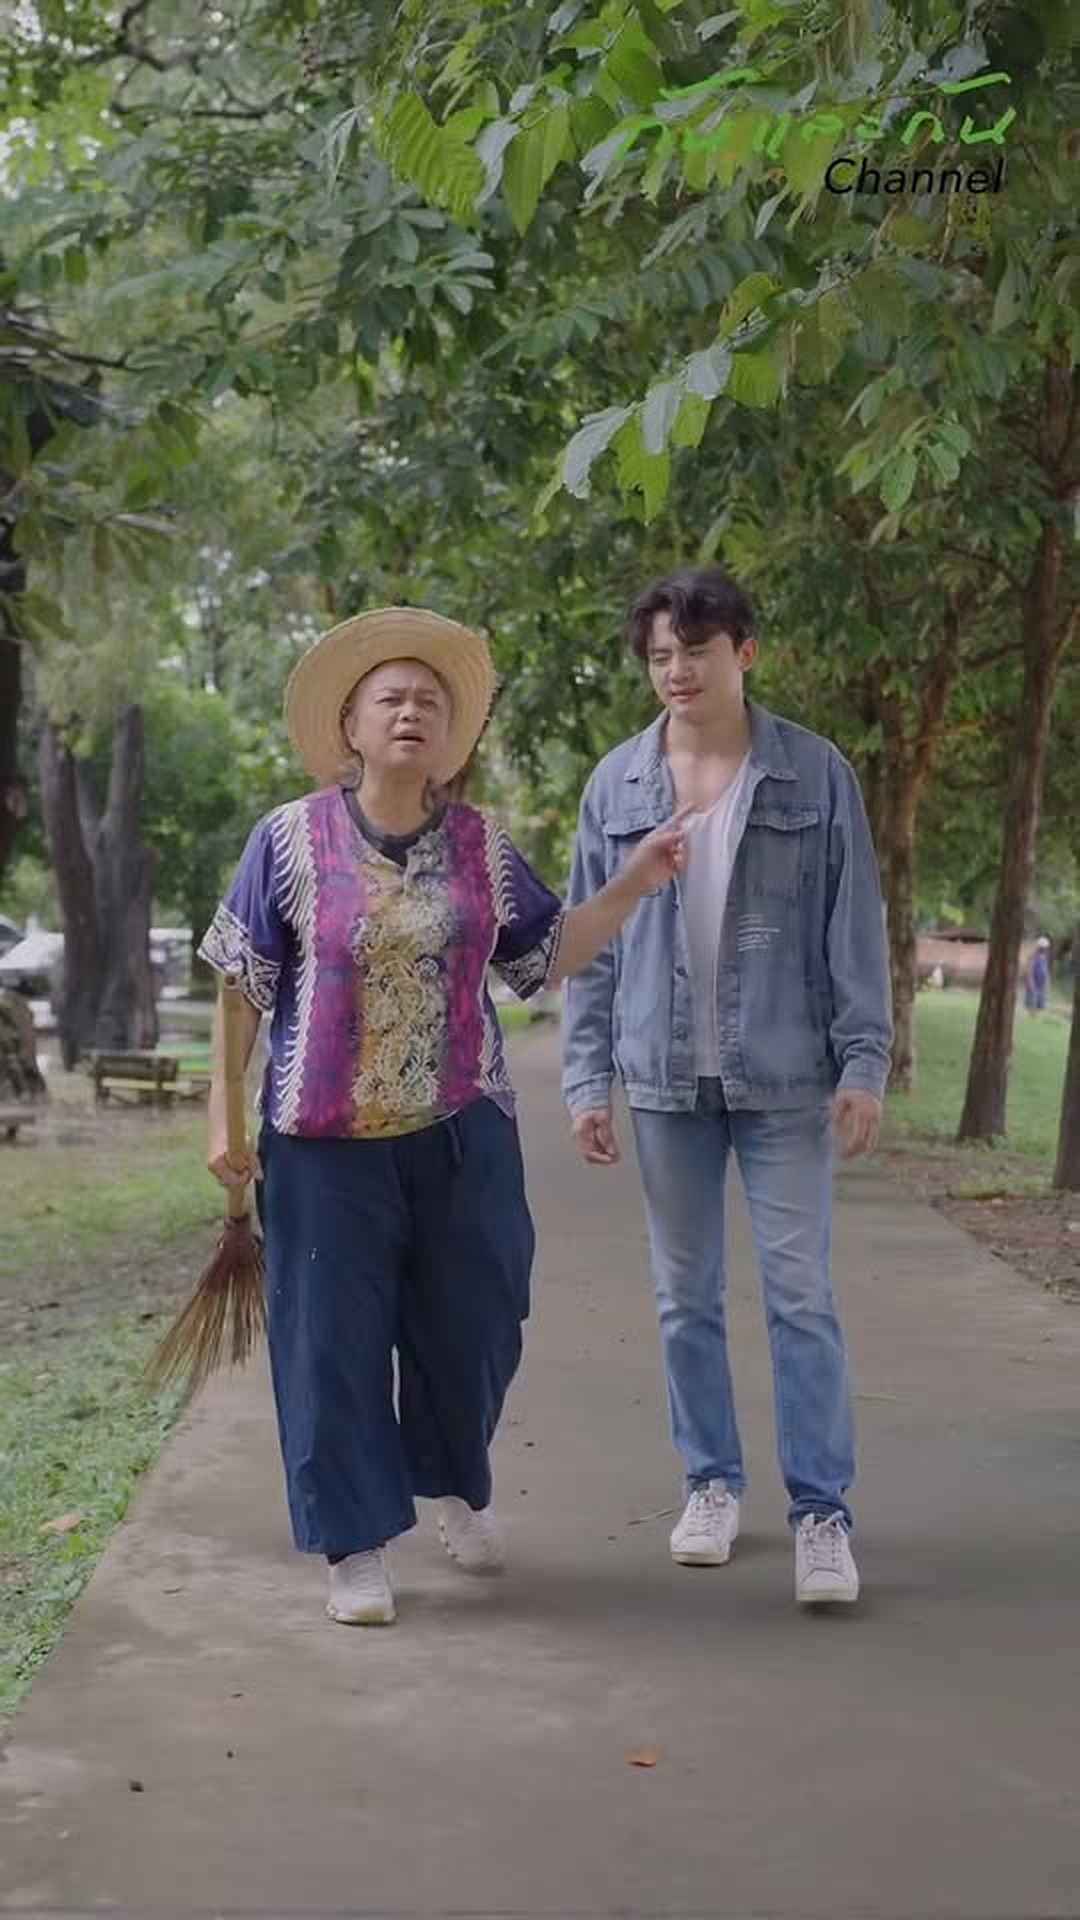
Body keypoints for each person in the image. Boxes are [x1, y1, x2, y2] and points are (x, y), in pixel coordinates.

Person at [198, 605, 687, 1628]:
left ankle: (455, 1479)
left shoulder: (482, 846)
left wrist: (635, 883)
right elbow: (241, 991)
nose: (411, 711)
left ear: (448, 730)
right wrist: (223, 1126)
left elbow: (545, 957)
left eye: (429, 699)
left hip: (463, 1133)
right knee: (330, 1344)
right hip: (323, 1146)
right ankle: (355, 1544)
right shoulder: (286, 840)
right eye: (390, 698)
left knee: (479, 1322)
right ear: (351, 724)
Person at [561, 567, 893, 1608]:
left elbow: (854, 927)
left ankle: (821, 1514)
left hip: (787, 1077)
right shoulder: (616, 786)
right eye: (660, 656)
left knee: (801, 1299)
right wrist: (586, 1080)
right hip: (665, 1083)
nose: (676, 671)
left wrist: (865, 1064)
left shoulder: (814, 774)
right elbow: (591, 940)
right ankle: (710, 1483)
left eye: (695, 652)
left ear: (744, 652)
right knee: (683, 1300)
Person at [1024, 937, 1051, 1014]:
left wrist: (1047, 983)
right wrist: (1030, 983)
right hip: (1034, 984)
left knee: (1040, 1006)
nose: (1044, 949)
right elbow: (1029, 971)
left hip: (1041, 985)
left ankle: (1036, 1016)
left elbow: (1046, 971)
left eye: (1045, 947)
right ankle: (1032, 1015)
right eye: (1043, 947)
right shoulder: (1033, 957)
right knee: (1032, 1005)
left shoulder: (1045, 958)